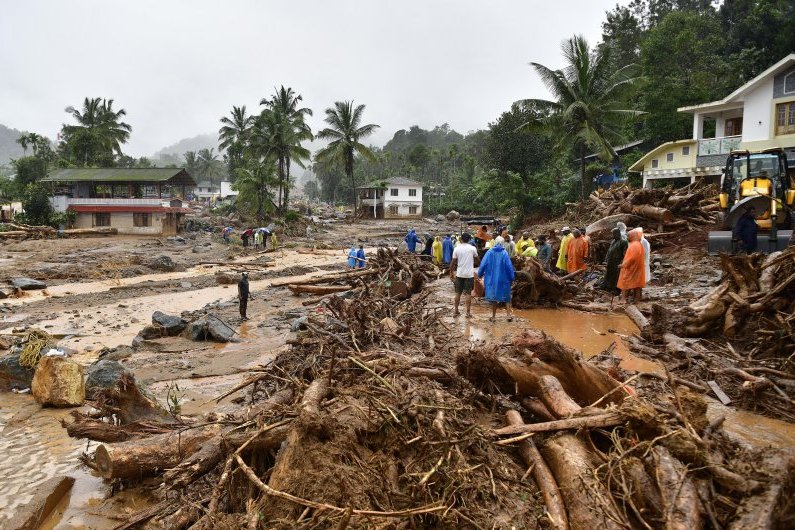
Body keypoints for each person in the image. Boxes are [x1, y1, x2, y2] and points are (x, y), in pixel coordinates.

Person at [478, 237, 515, 322]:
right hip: (504, 278)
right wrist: (512, 277)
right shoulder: (504, 253)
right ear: (502, 243)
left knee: (494, 297)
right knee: (506, 296)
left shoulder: (489, 252)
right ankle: (508, 315)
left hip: (492, 279)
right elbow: (509, 267)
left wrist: (480, 274)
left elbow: (483, 264)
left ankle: (494, 317)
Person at [450, 232, 478, 318]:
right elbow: (477, 259)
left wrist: (451, 272)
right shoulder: (472, 248)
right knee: (468, 293)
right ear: (469, 239)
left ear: (461, 239)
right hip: (469, 274)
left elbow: (453, 263)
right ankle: (468, 313)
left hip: (460, 273)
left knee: (458, 293)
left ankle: (456, 311)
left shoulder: (457, 248)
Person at [618, 229, 646, 303]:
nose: (627, 237)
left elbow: (632, 257)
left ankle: (623, 299)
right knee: (636, 284)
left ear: (633, 236)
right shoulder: (638, 244)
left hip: (631, 268)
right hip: (636, 267)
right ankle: (636, 299)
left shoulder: (635, 245)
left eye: (629, 236)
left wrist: (624, 264)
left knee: (625, 283)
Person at [600, 228, 628, 293]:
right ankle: (608, 287)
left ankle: (616, 289)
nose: (612, 235)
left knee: (616, 276)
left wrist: (623, 261)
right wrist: (606, 259)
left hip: (617, 261)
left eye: (613, 234)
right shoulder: (613, 241)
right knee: (609, 275)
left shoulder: (623, 242)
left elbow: (625, 253)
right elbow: (609, 251)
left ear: (617, 234)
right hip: (610, 261)